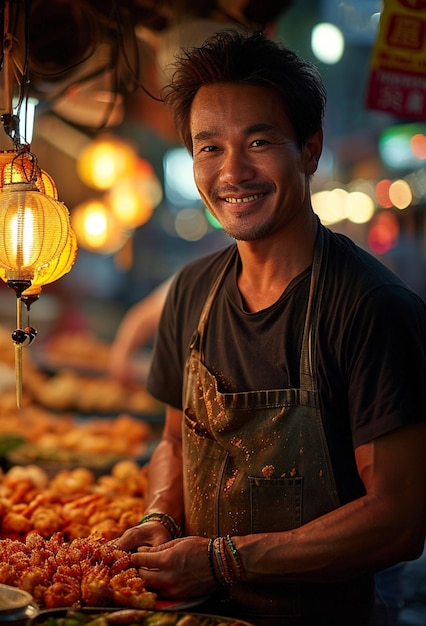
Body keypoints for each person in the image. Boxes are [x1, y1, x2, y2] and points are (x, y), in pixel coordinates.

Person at [114, 29, 426, 626]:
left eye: (258, 141)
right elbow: (175, 443)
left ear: (308, 151)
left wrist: (224, 560)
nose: (233, 172)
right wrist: (160, 516)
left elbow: (400, 519)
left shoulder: (372, 308)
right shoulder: (190, 293)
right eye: (209, 148)